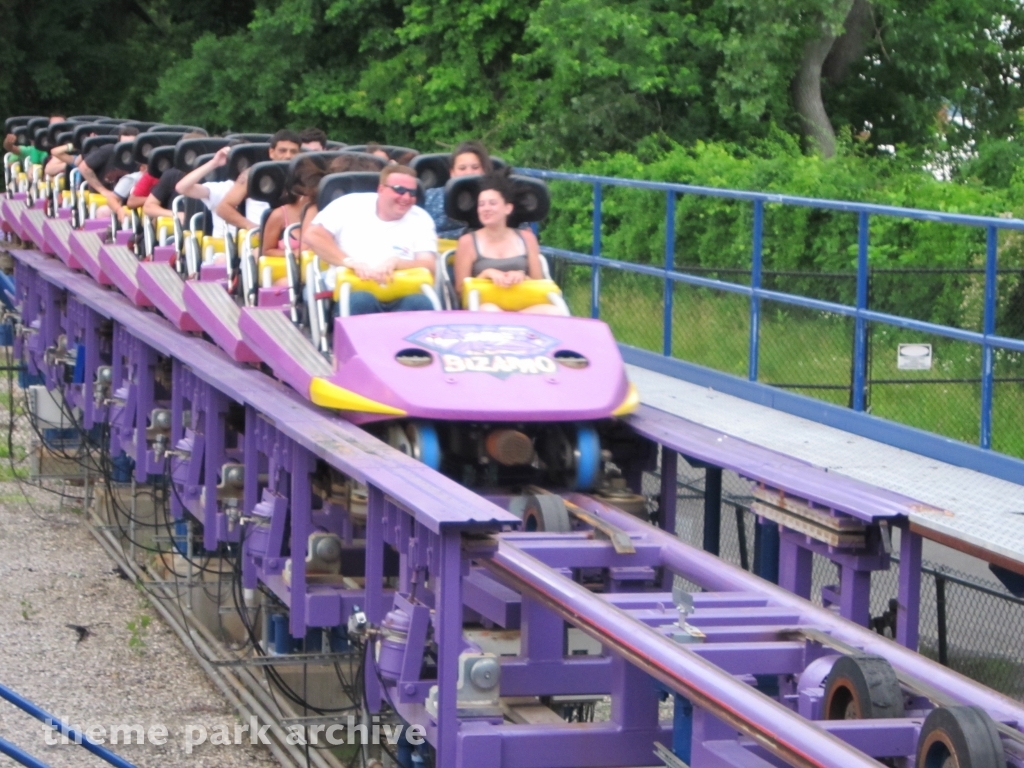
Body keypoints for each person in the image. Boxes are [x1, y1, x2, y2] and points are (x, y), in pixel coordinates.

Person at [304, 164, 437, 315]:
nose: (406, 197)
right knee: (362, 300)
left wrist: (398, 263)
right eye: (399, 190)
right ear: (381, 189)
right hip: (353, 291)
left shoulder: (421, 218)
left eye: (412, 193)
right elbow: (313, 235)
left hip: (402, 292)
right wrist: (348, 262)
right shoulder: (349, 205)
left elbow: (429, 266)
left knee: (421, 303)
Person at [453, 171, 561, 315]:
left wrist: (522, 276)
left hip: (522, 307)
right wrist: (486, 274)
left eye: (492, 203)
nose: (486, 209)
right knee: (491, 311)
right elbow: (460, 290)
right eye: (481, 205)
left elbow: (538, 283)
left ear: (507, 208)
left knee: (554, 311)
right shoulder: (468, 242)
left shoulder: (527, 238)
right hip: (484, 307)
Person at [215, 129, 301, 232]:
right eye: (282, 151)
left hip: (294, 235)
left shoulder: (306, 177)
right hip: (258, 237)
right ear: (271, 152)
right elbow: (223, 208)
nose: (288, 156)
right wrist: (251, 226)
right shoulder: (254, 174)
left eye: (293, 152)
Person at [424, 140, 492, 239]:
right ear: (452, 172)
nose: (469, 172)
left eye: (475, 167)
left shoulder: (495, 197)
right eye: (462, 168)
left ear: (484, 170)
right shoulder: (431, 197)